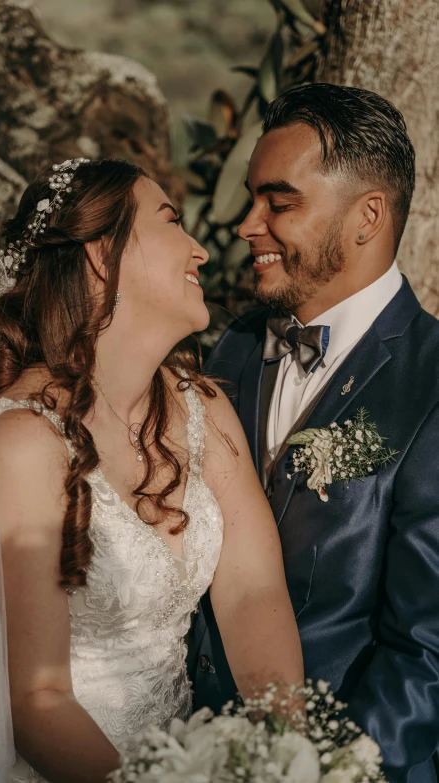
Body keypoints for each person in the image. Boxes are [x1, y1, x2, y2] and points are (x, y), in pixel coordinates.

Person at [0, 157, 303, 783]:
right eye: (172, 222)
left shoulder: (202, 404)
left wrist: (283, 754)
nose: (201, 250)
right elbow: (35, 701)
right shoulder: (22, 443)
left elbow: (253, 592)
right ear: (101, 254)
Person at [188, 83, 439, 783]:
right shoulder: (230, 350)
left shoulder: (433, 384)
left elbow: (428, 647)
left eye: (279, 201)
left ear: (368, 216)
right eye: (249, 198)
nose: (245, 224)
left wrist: (327, 770)